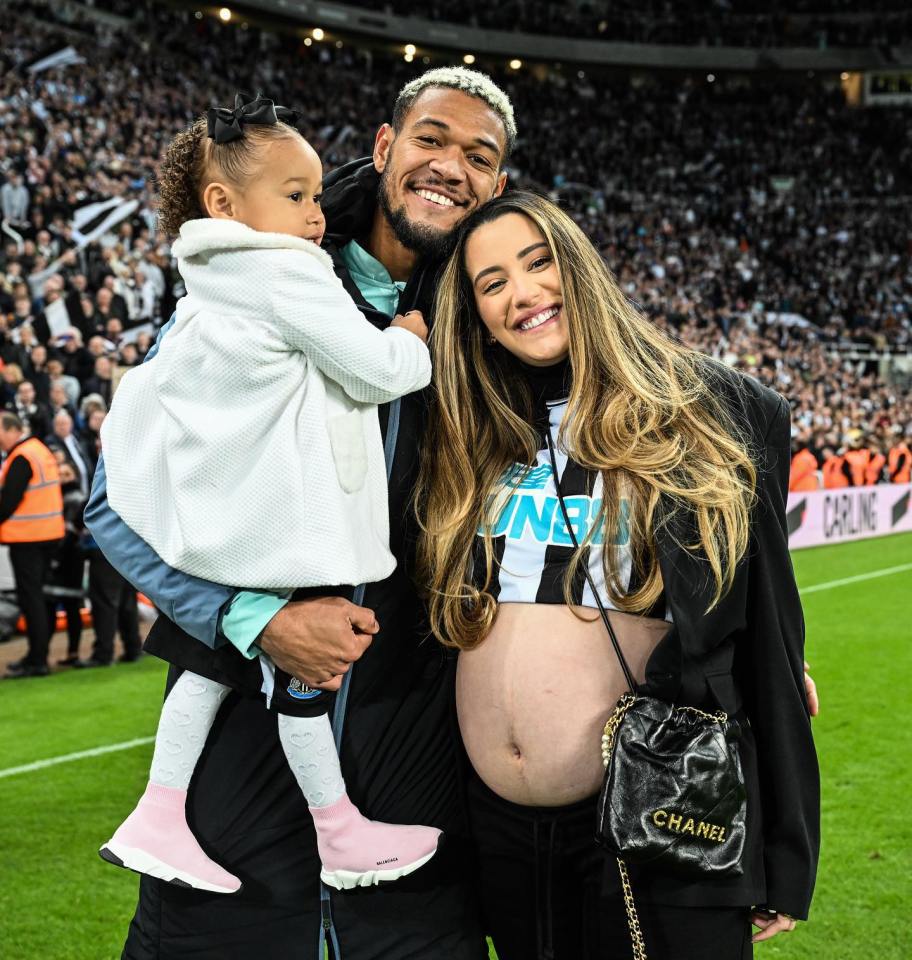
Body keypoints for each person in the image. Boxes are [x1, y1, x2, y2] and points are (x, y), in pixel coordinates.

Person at [85, 66, 512, 959]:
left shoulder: (503, 328)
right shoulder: (258, 284)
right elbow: (113, 499)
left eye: (479, 155)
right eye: (431, 138)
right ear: (388, 148)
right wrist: (253, 616)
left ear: (497, 186)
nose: (450, 166)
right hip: (236, 809)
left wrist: (742, 654)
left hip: (416, 809)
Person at [415, 192, 819, 958]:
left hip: (657, 809)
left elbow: (770, 631)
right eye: (491, 282)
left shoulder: (710, 408)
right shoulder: (473, 424)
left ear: (582, 266)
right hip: (497, 832)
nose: (522, 294)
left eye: (539, 263)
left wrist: (784, 851)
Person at [0, 412, 65, 678]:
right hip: (48, 534)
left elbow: (7, 503)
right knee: (42, 598)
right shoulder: (39, 449)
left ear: (13, 430)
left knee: (32, 600)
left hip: (28, 538)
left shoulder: (22, 456)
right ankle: (37, 655)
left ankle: (37, 660)